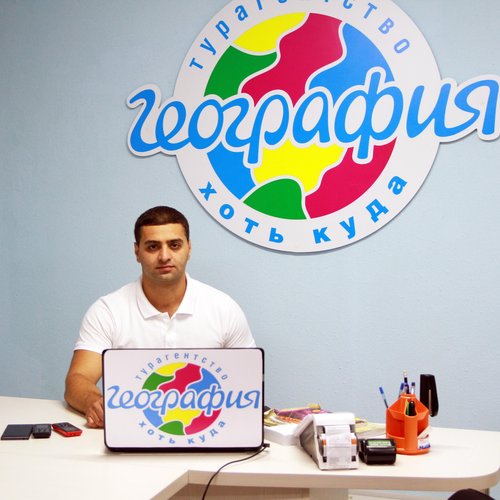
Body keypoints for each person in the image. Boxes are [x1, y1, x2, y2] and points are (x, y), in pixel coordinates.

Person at [64, 206, 255, 428]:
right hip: (131, 431)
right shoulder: (107, 311)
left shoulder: (224, 308)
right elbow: (78, 379)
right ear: (137, 252)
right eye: (153, 247)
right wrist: (94, 402)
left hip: (205, 430)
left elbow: (249, 381)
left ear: (189, 248)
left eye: (174, 245)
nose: (164, 256)